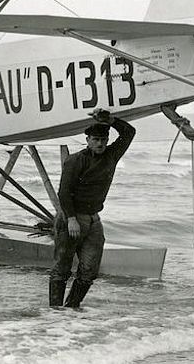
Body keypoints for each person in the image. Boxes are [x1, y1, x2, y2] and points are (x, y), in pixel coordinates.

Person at [49, 107, 136, 308]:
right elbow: (64, 192)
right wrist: (71, 219)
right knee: (62, 268)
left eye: (103, 140)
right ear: (87, 140)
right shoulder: (75, 160)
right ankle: (55, 312)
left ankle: (72, 309)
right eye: (95, 140)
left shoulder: (111, 155)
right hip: (71, 218)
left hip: (94, 220)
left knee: (89, 270)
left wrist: (111, 120)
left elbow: (129, 133)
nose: (100, 144)